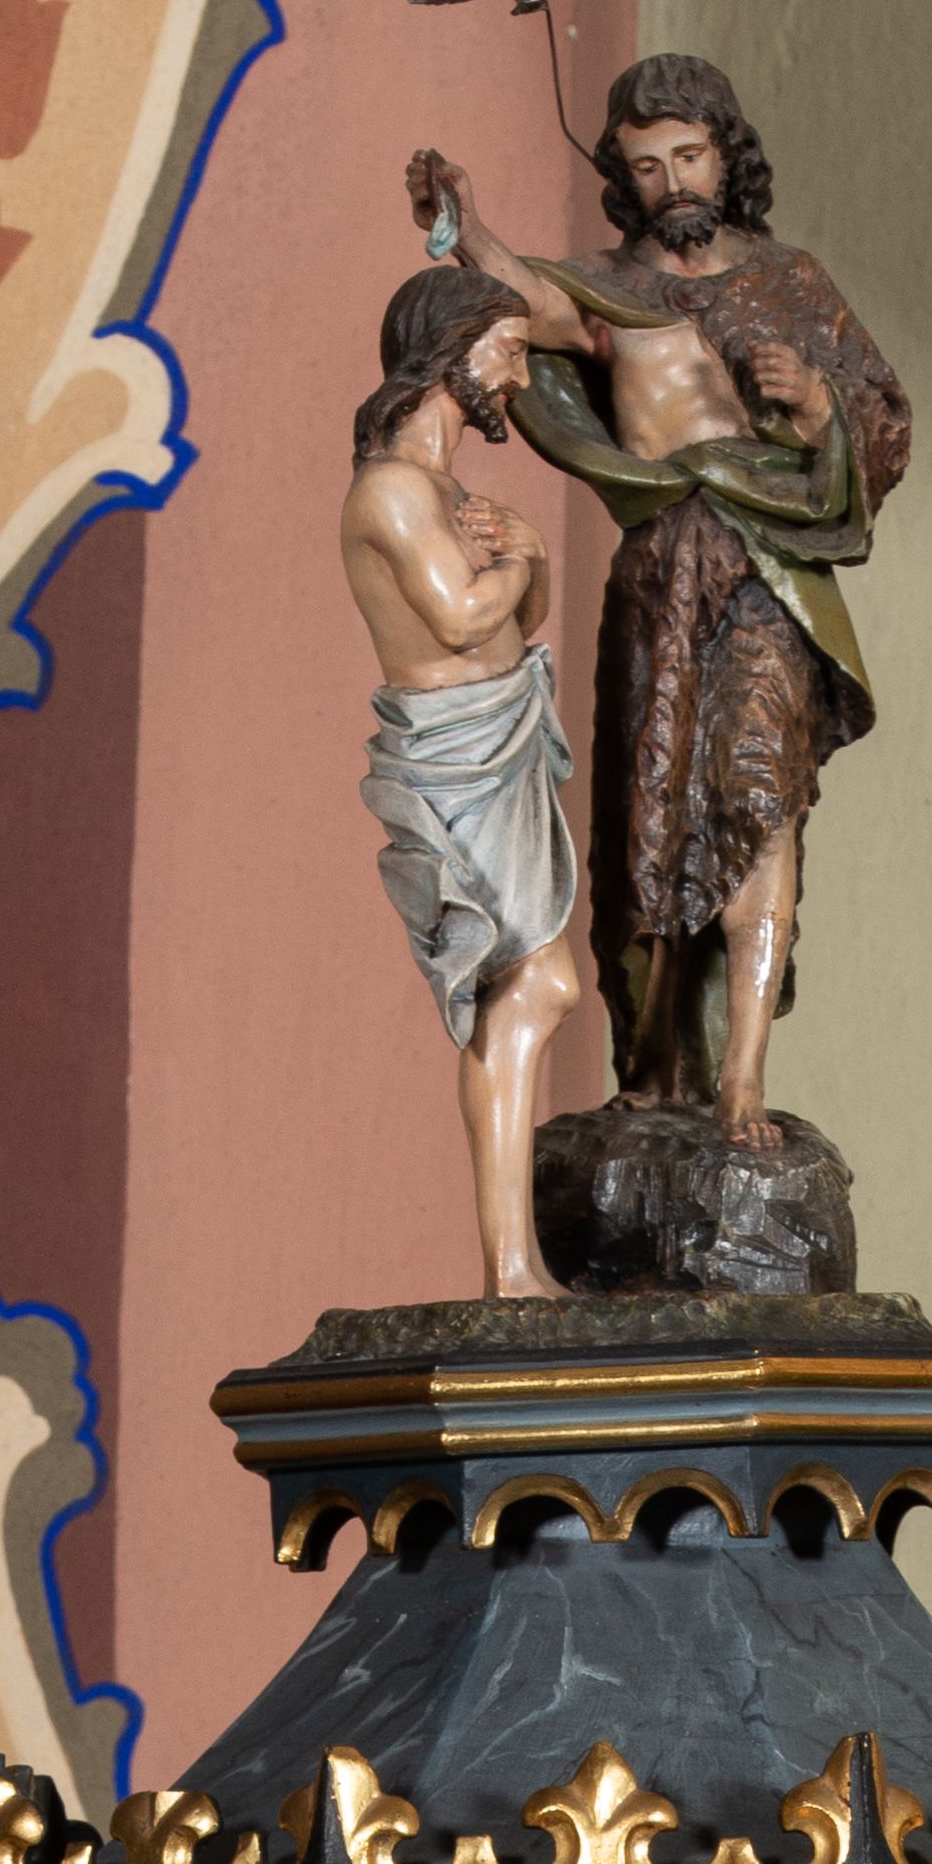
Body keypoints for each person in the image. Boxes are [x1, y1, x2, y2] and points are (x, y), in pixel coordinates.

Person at [406, 57, 910, 1161]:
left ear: (726, 157)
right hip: (659, 577)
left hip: (766, 568)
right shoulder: (608, 295)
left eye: (688, 156)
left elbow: (882, 417)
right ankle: (655, 1068)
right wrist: (463, 221)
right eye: (645, 166)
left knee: (758, 799)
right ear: (622, 178)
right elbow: (519, 297)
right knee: (652, 821)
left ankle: (741, 1078)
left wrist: (815, 404)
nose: (672, 182)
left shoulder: (791, 281)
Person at [341, 261, 580, 1301]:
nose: (519, 378)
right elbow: (460, 617)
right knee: (520, 987)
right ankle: (509, 1266)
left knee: (535, 986)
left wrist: (530, 564)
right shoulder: (394, 489)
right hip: (457, 757)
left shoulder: (448, 493)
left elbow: (515, 621)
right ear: (452, 348)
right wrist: (522, 564)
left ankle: (516, 1262)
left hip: (502, 740)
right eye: (509, 353)